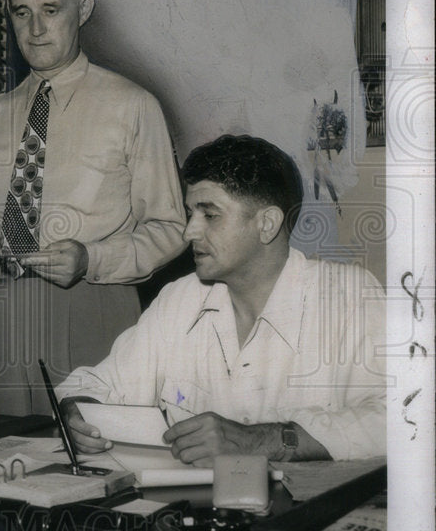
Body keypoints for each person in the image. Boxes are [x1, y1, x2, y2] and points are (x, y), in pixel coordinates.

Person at [0, 0, 187, 416]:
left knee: (95, 460)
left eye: (50, 10)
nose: (35, 29)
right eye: (21, 12)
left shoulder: (133, 106)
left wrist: (91, 258)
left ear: (83, 10)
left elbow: (169, 227)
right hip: (3, 313)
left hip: (95, 306)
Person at [58, 134, 386, 464]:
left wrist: (263, 440)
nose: (189, 232)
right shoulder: (181, 298)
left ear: (267, 224)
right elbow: (98, 385)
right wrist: (78, 411)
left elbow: (401, 417)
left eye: (210, 215)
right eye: (190, 214)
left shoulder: (348, 295)